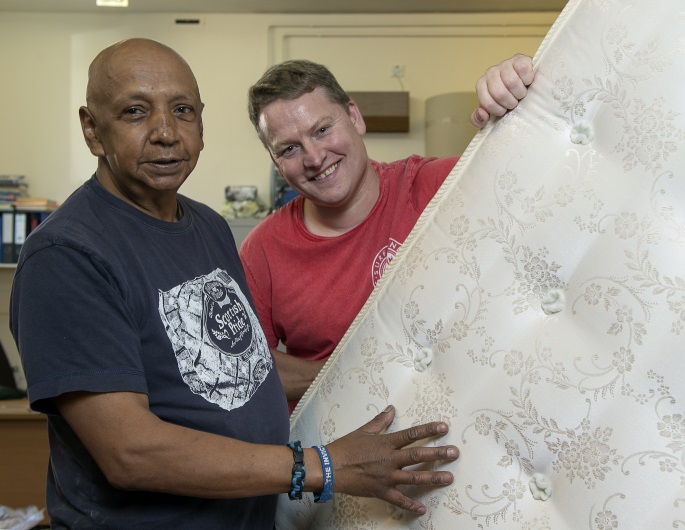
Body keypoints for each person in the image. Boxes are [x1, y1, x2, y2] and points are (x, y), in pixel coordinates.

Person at [10, 38, 461, 529]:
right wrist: (323, 466)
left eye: (182, 110)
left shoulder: (206, 226)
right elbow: (130, 452)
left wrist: (367, 373)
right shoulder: (67, 255)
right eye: (135, 112)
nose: (165, 132)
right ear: (93, 131)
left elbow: (241, 365)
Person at [240, 54, 534, 409]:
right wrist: (364, 377)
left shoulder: (435, 186)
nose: (315, 158)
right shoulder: (262, 249)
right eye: (289, 148)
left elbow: (537, 170)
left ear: (354, 117)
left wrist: (517, 91)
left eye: (322, 130)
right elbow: (248, 365)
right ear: (276, 162)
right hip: (339, 444)